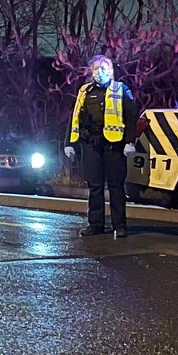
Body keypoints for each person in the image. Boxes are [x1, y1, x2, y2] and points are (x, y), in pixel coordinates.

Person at [64, 54, 138, 238]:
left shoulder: (121, 89)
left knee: (116, 186)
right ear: (91, 71)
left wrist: (129, 142)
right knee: (95, 186)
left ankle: (119, 225)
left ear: (111, 71)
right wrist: (69, 143)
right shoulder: (85, 91)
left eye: (103, 68)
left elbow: (131, 118)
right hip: (91, 144)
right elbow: (75, 117)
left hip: (114, 145)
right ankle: (95, 225)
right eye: (96, 68)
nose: (100, 72)